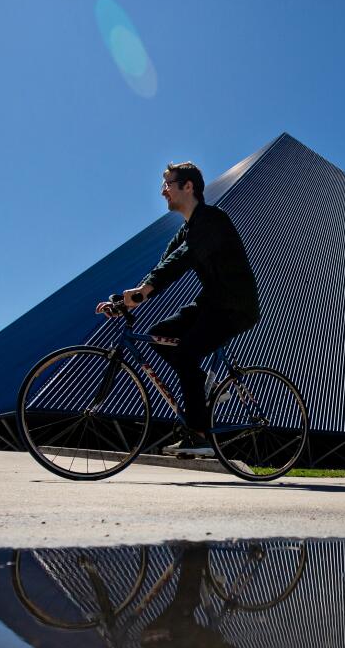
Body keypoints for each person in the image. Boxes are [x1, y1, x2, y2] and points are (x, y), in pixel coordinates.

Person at [97, 161, 259, 456]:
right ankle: (198, 388)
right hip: (211, 303)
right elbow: (163, 264)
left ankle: (199, 436)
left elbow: (180, 261)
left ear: (188, 186)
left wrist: (144, 292)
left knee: (185, 353)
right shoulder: (186, 230)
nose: (163, 192)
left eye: (168, 184)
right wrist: (125, 300)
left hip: (234, 306)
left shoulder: (212, 220)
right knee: (159, 334)